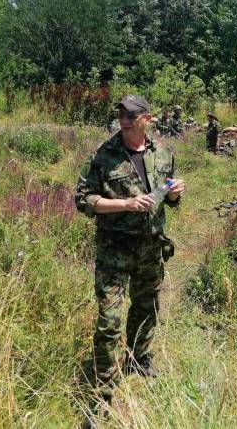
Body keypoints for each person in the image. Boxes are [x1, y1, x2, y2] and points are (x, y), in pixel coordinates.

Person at [75, 94, 186, 411]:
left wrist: (175, 194)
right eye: (121, 114)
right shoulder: (103, 154)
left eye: (132, 114)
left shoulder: (162, 153)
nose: (125, 119)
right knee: (109, 321)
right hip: (115, 252)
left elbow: (167, 199)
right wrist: (124, 204)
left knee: (146, 306)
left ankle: (139, 358)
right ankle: (103, 391)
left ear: (147, 119)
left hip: (151, 248)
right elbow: (84, 200)